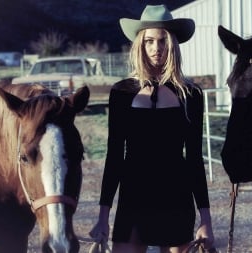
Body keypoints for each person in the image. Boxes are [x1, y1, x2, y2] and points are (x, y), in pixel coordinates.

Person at [89, 4, 215, 253]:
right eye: (149, 41)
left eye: (162, 41)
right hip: (133, 196)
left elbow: (193, 160)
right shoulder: (121, 93)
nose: (156, 48)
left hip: (176, 197)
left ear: (172, 45)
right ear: (139, 45)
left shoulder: (191, 94)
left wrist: (206, 220)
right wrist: (103, 216)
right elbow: (114, 156)